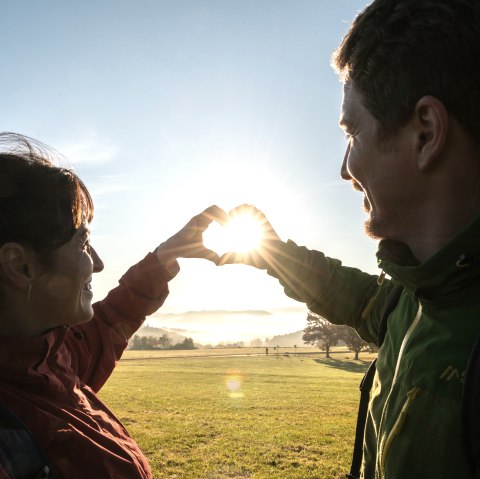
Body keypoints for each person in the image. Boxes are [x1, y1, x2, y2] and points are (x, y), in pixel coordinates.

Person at [220, 0, 480, 477]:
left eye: (352, 133)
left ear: (426, 132)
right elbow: (356, 297)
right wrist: (271, 253)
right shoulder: (420, 295)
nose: (344, 170)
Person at [0, 132, 226, 478]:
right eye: (82, 243)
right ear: (20, 265)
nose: (99, 263)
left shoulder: (49, 360)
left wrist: (164, 259)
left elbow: (107, 325)